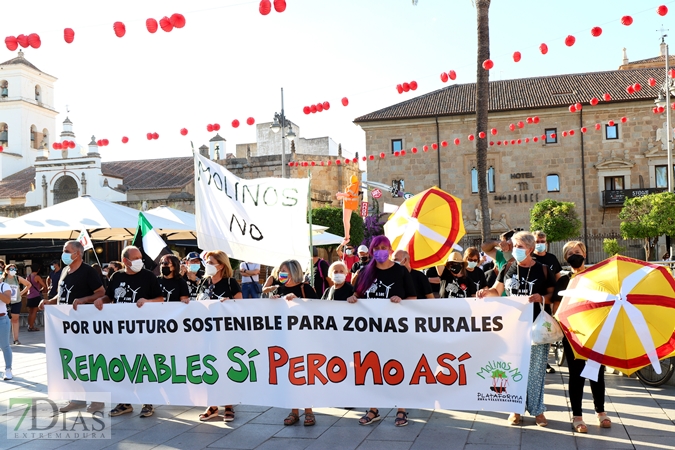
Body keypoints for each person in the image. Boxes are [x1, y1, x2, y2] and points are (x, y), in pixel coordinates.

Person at [477, 231, 555, 427]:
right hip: (512, 327)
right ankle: (515, 409)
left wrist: (541, 299)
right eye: (513, 246)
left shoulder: (543, 270)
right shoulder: (509, 268)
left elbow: (553, 297)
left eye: (519, 247)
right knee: (513, 369)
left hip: (536, 326)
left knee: (536, 371)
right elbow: (497, 290)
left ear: (530, 249)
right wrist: (486, 293)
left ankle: (538, 411)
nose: (515, 250)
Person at [348, 236, 416, 427]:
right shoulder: (364, 272)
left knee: (397, 368)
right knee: (372, 369)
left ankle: (401, 409)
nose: (380, 250)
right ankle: (373, 409)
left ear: (391, 249)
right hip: (371, 332)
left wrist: (401, 301)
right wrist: (353, 298)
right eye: (376, 247)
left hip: (396, 331)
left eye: (384, 247)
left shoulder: (401, 271)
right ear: (371, 251)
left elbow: (413, 298)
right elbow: (357, 294)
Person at [92, 246, 163, 418]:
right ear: (125, 261)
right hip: (121, 331)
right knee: (123, 365)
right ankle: (124, 402)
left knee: (143, 364)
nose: (140, 260)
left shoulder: (148, 276)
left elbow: (160, 299)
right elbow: (110, 296)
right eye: (136, 257)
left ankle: (147, 402)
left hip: (143, 330)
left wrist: (147, 301)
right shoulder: (117, 276)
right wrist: (101, 300)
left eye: (140, 257)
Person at [40, 240, 106, 413]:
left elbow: (101, 292)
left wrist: (84, 300)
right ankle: (76, 398)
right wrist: (49, 301)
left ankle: (98, 399)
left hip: (84, 325)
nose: (64, 254)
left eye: (67, 251)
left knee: (88, 361)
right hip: (66, 326)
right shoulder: (64, 271)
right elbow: (62, 296)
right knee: (71, 362)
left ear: (77, 253)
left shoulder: (88, 272)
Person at [556, 240, 611, 432]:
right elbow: (558, 308)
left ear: (584, 254)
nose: (574, 255)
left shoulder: (595, 277)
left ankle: (601, 412)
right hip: (573, 334)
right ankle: (577, 416)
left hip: (595, 332)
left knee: (597, 373)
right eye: (570, 253)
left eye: (577, 251)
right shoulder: (564, 280)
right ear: (566, 258)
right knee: (576, 375)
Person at [270, 259, 319, 427]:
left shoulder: (306, 289)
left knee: (304, 374)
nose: (281, 275)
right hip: (284, 339)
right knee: (290, 375)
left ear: (294, 272)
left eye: (285, 271)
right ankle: (294, 411)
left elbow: (318, 310)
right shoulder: (278, 289)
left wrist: (299, 300)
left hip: (305, 339)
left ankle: (309, 411)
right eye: (280, 272)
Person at [196, 250, 242, 423]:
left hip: (225, 334)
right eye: (206, 262)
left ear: (221, 265)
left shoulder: (231, 283)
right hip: (205, 333)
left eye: (210, 262)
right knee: (208, 367)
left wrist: (229, 304)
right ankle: (212, 405)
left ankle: (229, 405)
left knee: (225, 367)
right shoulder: (204, 283)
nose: (207, 265)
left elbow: (241, 306)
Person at [1, 264, 31, 345]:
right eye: (11, 269)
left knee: (15, 320)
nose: (13, 270)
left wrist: (21, 293)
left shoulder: (17, 278)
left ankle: (16, 339)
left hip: (16, 302)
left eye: (14, 269)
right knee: (4, 321)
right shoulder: (3, 279)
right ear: (6, 271)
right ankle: (4, 339)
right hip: (5, 303)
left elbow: (28, 284)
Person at [25, 265, 46, 332]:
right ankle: (31, 326)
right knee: (34, 312)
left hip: (29, 295)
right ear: (38, 270)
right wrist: (40, 290)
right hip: (36, 295)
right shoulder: (37, 277)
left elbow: (26, 286)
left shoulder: (28, 277)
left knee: (30, 312)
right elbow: (44, 285)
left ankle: (29, 325)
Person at [0, 275, 14, 380]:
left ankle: (8, 369)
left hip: (2, 319)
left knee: (4, 346)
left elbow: (7, 300)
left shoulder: (4, 286)